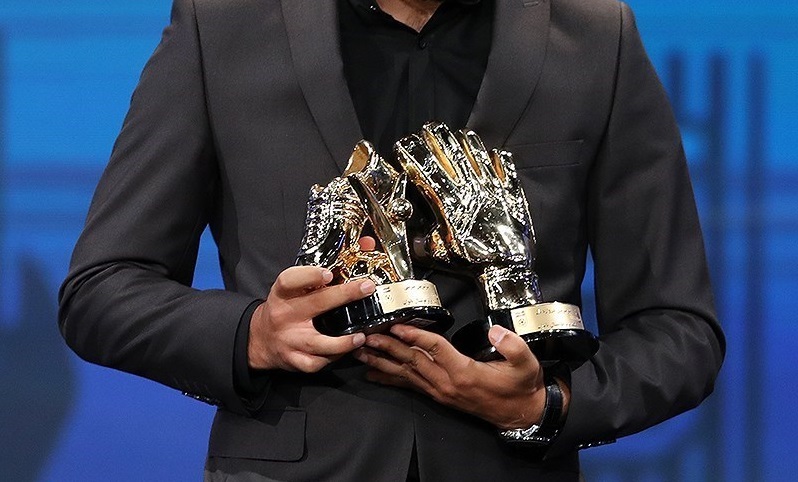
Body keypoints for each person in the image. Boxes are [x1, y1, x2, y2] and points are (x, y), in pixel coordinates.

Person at [58, 0, 726, 480]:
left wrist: (546, 405)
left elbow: (680, 329)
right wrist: (253, 335)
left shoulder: (596, 35)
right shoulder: (222, 25)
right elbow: (102, 289)